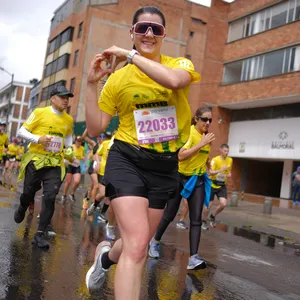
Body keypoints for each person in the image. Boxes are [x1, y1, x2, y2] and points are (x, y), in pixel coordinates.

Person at [84, 6, 201, 299]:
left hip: (164, 166)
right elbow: (96, 127)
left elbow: (175, 82)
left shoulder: (180, 64)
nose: (149, 34)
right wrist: (90, 83)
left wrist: (130, 55)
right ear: (132, 32)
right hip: (127, 159)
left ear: (164, 36)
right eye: (142, 28)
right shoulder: (118, 80)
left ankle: (106, 257)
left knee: (137, 242)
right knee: (138, 246)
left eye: (156, 29)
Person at [149, 107, 214, 270]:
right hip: (179, 178)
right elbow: (181, 155)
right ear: (196, 119)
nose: (208, 123)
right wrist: (201, 144)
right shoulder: (188, 134)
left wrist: (208, 166)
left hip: (196, 179)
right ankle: (155, 240)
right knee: (170, 214)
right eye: (205, 119)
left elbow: (204, 156)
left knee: (196, 218)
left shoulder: (207, 138)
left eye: (210, 120)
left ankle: (193, 258)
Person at [14, 86, 74, 249]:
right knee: (28, 192)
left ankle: (39, 235)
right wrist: (38, 139)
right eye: (62, 97)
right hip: (36, 160)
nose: (65, 100)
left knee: (50, 196)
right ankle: (23, 205)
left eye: (67, 97)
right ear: (52, 98)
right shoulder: (40, 113)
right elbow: (22, 131)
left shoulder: (68, 119)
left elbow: (68, 137)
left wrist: (69, 149)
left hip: (55, 163)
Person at [202, 144, 233, 229]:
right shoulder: (215, 160)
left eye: (227, 151)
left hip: (221, 185)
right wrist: (220, 170)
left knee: (223, 204)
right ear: (220, 150)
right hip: (212, 184)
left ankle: (212, 216)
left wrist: (229, 174)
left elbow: (228, 171)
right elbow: (210, 172)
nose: (226, 153)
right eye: (225, 151)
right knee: (208, 205)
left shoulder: (230, 160)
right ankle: (204, 221)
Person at [61, 136, 85, 203]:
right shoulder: (71, 146)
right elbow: (66, 154)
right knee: (68, 182)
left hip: (77, 166)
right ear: (75, 141)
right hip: (70, 165)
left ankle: (72, 193)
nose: (78, 143)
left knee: (77, 181)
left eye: (80, 141)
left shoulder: (82, 148)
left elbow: (83, 156)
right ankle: (64, 195)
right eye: (77, 141)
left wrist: (83, 158)